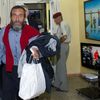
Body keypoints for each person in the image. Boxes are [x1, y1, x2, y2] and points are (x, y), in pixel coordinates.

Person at [0, 5, 40, 100]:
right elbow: (0, 49)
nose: (17, 18)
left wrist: (37, 52)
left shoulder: (33, 32)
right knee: (7, 96)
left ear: (24, 17)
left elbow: (39, 49)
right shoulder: (3, 31)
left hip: (26, 70)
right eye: (14, 15)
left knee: (24, 97)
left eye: (20, 15)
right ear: (11, 17)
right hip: (7, 70)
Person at [52, 12, 71, 92]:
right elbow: (62, 35)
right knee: (59, 66)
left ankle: (63, 87)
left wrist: (58, 42)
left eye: (55, 19)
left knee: (61, 67)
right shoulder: (62, 24)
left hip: (63, 46)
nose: (55, 21)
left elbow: (65, 36)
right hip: (65, 46)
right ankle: (57, 83)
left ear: (58, 18)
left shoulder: (62, 24)